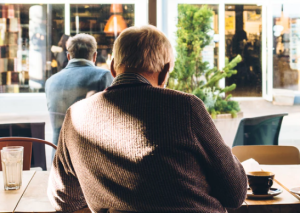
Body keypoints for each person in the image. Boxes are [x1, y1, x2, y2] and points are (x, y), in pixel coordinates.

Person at [48, 25, 247, 213]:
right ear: (164, 72)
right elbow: (235, 193)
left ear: (113, 68)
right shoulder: (186, 108)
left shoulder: (75, 116)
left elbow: (63, 199)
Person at [45, 33, 113, 158]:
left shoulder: (51, 81)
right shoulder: (103, 76)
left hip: (58, 157)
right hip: (89, 158)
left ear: (69, 56)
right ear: (94, 56)